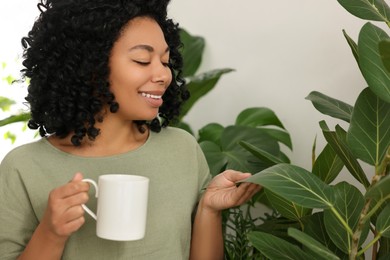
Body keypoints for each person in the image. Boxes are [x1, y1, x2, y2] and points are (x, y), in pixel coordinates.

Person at [0, 0, 261, 259]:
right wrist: (51, 233)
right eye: (142, 60)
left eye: (166, 61)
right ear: (90, 66)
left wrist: (209, 209)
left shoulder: (182, 150)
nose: (164, 75)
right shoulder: (23, 168)